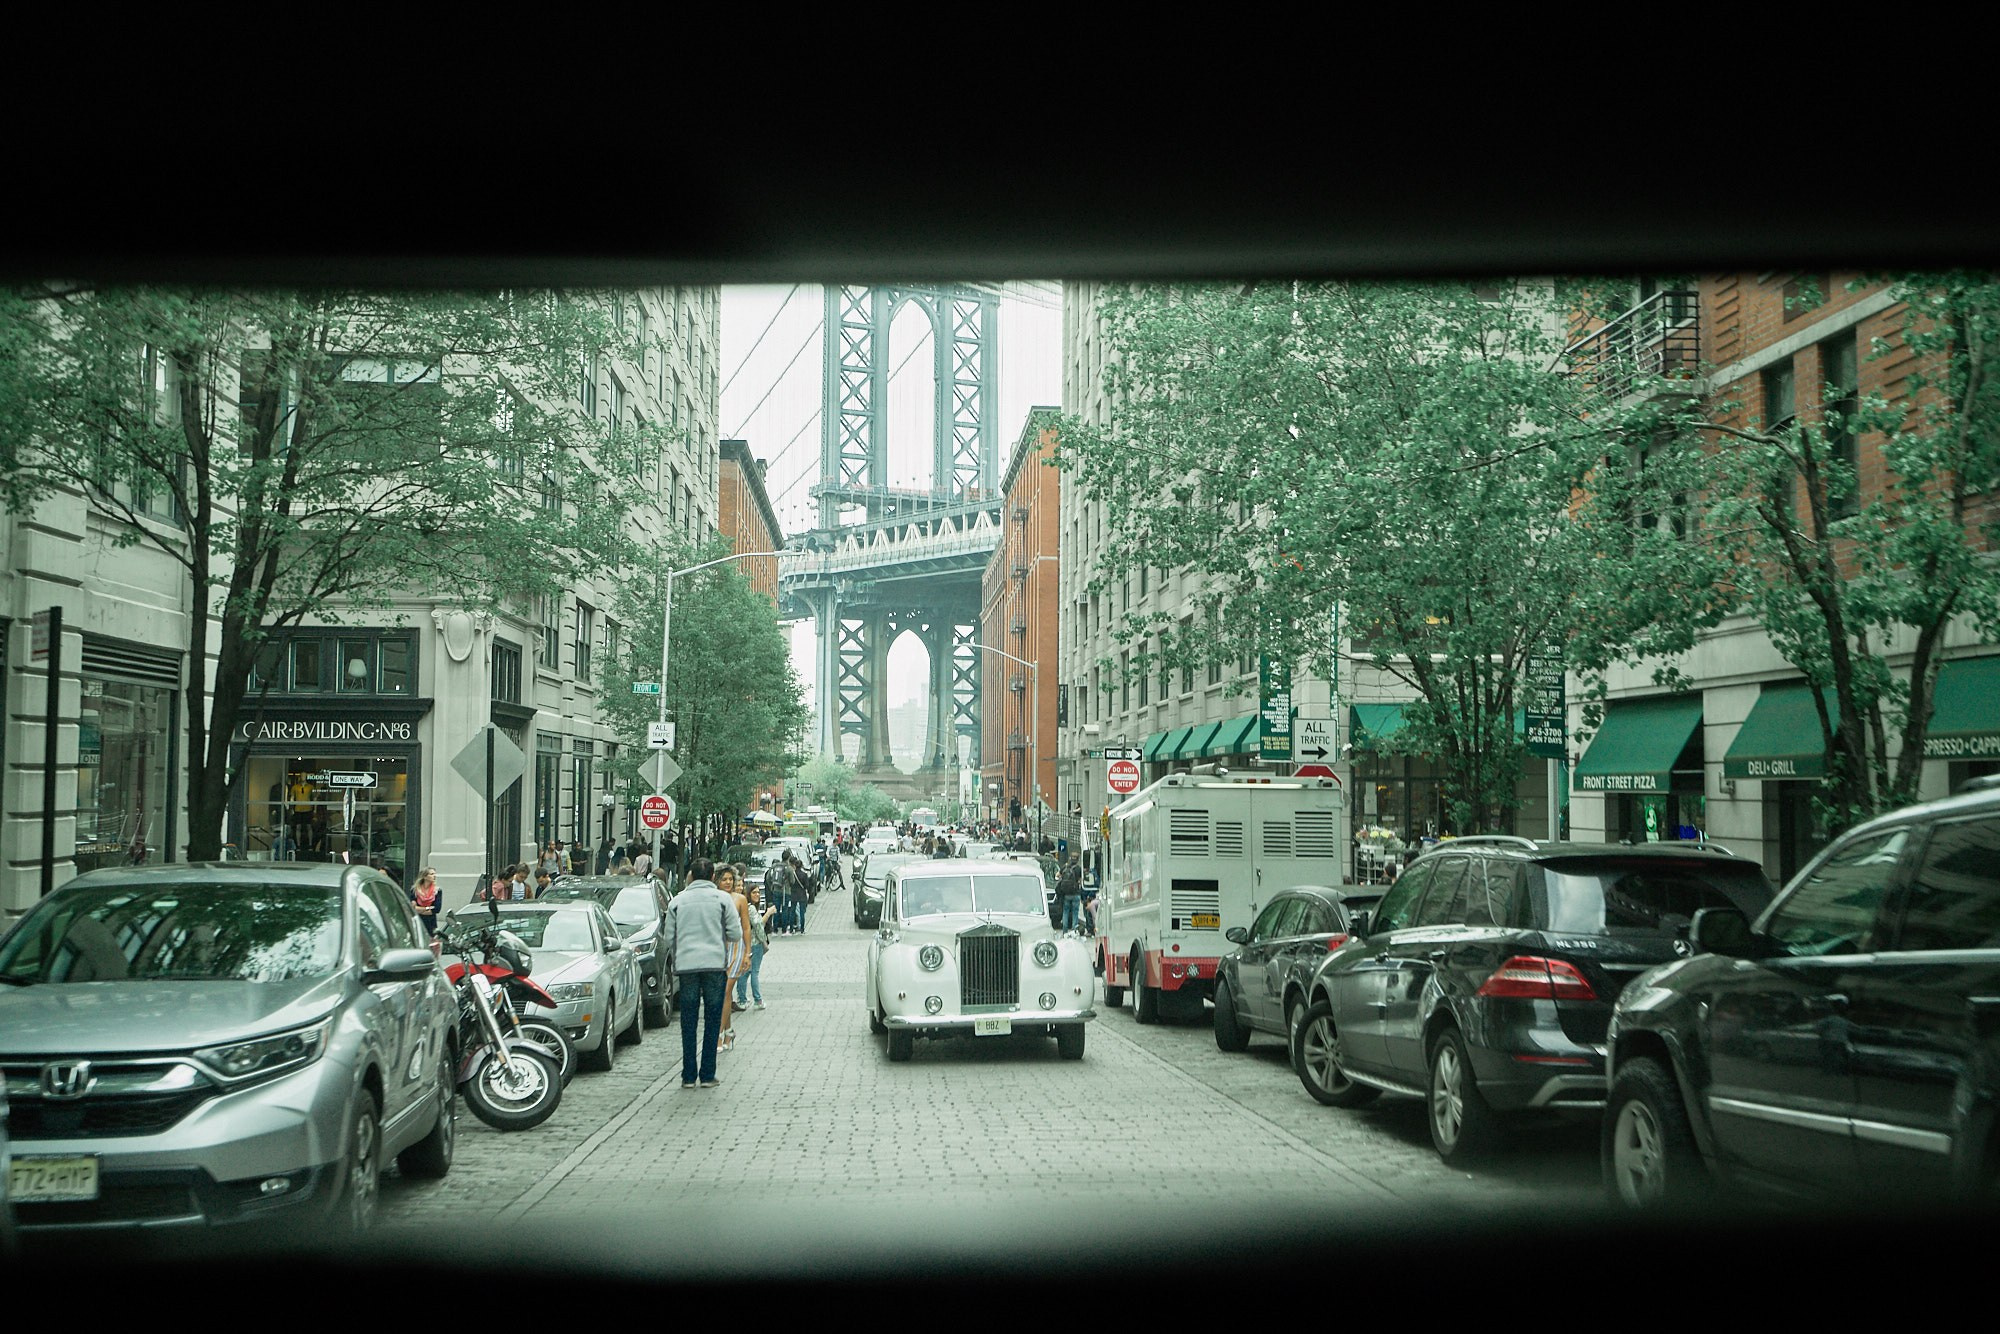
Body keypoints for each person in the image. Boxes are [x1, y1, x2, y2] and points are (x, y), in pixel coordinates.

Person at [667, 857, 740, 1089]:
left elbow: (668, 937)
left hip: (687, 966)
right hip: (714, 964)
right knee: (712, 1018)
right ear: (712, 877)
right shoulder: (722, 900)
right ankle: (707, 1074)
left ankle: (688, 1075)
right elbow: (735, 933)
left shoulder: (677, 901)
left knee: (688, 1021)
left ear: (691, 875)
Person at [716, 867, 754, 1053]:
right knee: (725, 994)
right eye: (724, 879)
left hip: (736, 947)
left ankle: (719, 1035)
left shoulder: (740, 900)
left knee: (725, 990)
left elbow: (746, 927)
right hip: (717, 948)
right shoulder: (713, 898)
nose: (728, 883)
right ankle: (729, 1031)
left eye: (731, 879)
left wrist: (748, 953)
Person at [735, 882, 774, 1011]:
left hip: (746, 943)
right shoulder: (750, 908)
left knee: (745, 973)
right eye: (754, 892)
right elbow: (758, 924)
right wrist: (768, 913)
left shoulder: (745, 906)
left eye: (758, 892)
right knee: (754, 972)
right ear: (748, 894)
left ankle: (742, 999)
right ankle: (757, 1000)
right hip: (754, 943)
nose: (757, 894)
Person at [1056, 856, 1084, 933]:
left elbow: (1057, 875)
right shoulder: (1078, 869)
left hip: (1066, 894)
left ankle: (1065, 930)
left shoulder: (1065, 867)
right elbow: (1081, 880)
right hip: (1076, 894)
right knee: (1075, 912)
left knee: (1065, 911)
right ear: (1078, 860)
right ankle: (1074, 929)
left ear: (1070, 859)